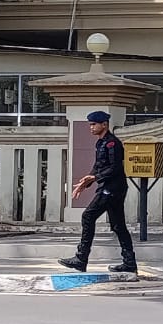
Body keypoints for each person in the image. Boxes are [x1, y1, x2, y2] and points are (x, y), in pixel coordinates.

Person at [57, 110, 136, 274]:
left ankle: (81, 258)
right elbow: (98, 166)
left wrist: (95, 178)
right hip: (109, 188)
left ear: (104, 125)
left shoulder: (112, 143)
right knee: (118, 226)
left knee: (88, 216)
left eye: (94, 124)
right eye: (90, 124)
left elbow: (115, 168)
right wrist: (86, 181)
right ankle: (129, 263)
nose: (91, 127)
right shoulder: (101, 143)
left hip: (112, 189)